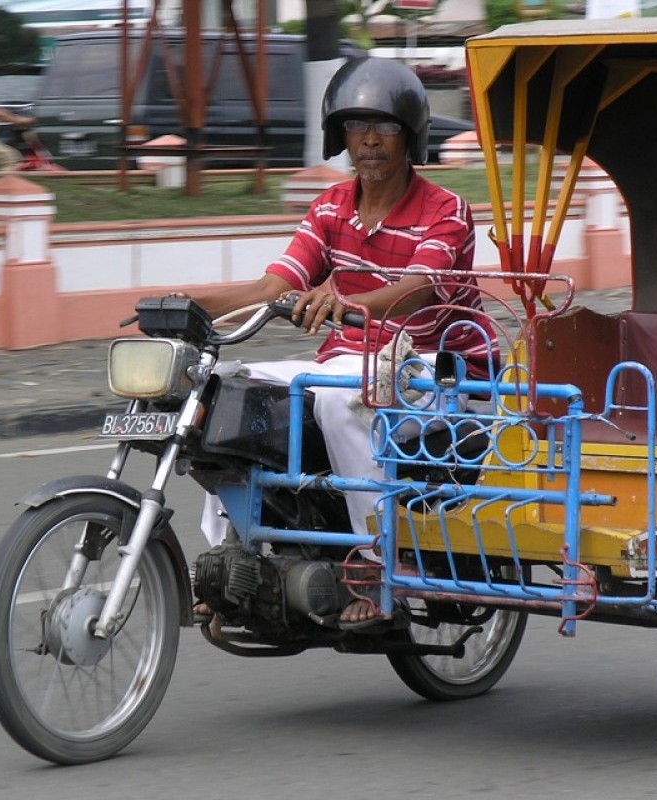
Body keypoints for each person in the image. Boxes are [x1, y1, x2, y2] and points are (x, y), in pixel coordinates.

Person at [181, 57, 491, 626]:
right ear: (340, 135)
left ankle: (372, 563)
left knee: (332, 397)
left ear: (410, 135)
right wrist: (188, 305)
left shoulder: (447, 210)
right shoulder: (330, 206)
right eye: (357, 127)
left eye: (386, 127)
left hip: (435, 371)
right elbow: (274, 285)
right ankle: (232, 559)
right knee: (225, 393)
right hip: (352, 363)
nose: (370, 140)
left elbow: (417, 289)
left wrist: (348, 305)